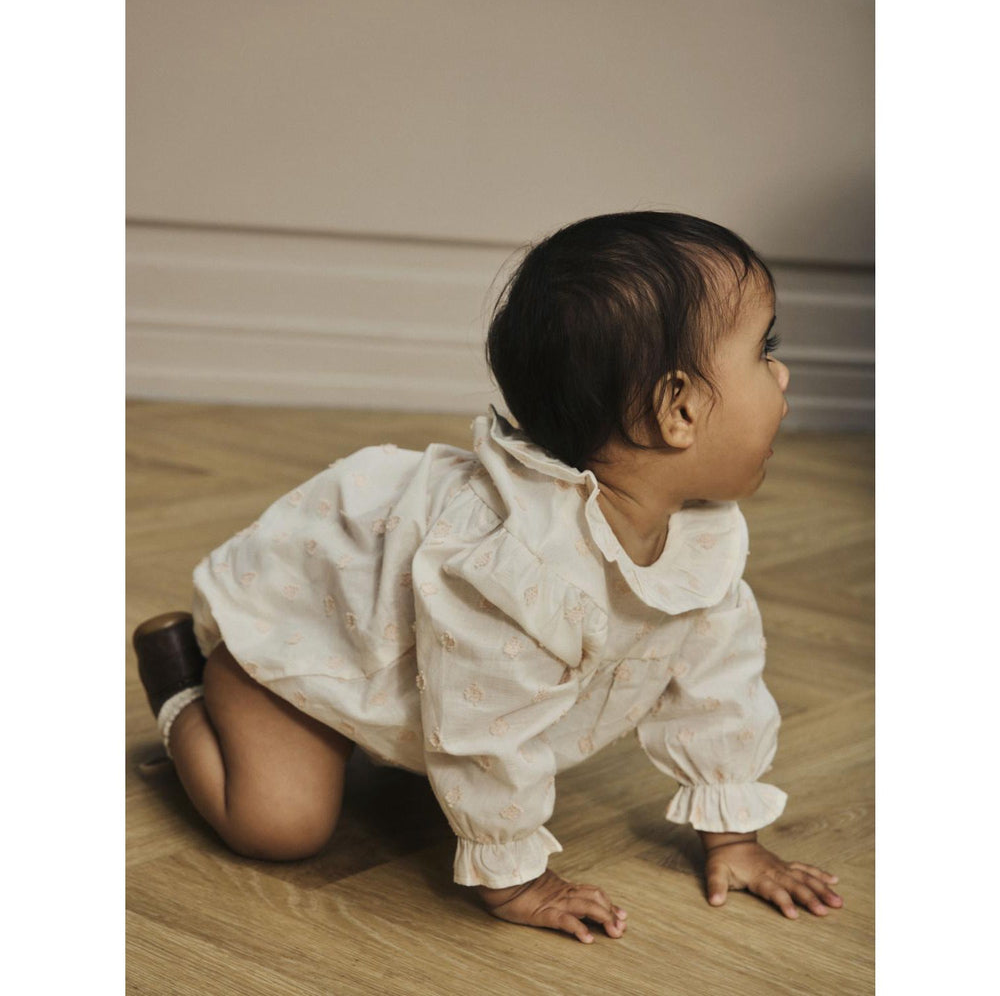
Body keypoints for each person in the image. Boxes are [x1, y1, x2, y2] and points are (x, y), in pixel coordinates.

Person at [133, 211, 843, 945]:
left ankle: (383, 734)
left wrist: (733, 835)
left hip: (417, 672)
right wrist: (515, 878)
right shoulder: (517, 569)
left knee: (439, 728)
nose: (782, 373)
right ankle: (182, 682)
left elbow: (720, 679)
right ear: (680, 409)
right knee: (279, 826)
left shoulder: (699, 531)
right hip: (308, 638)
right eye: (765, 351)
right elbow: (483, 733)